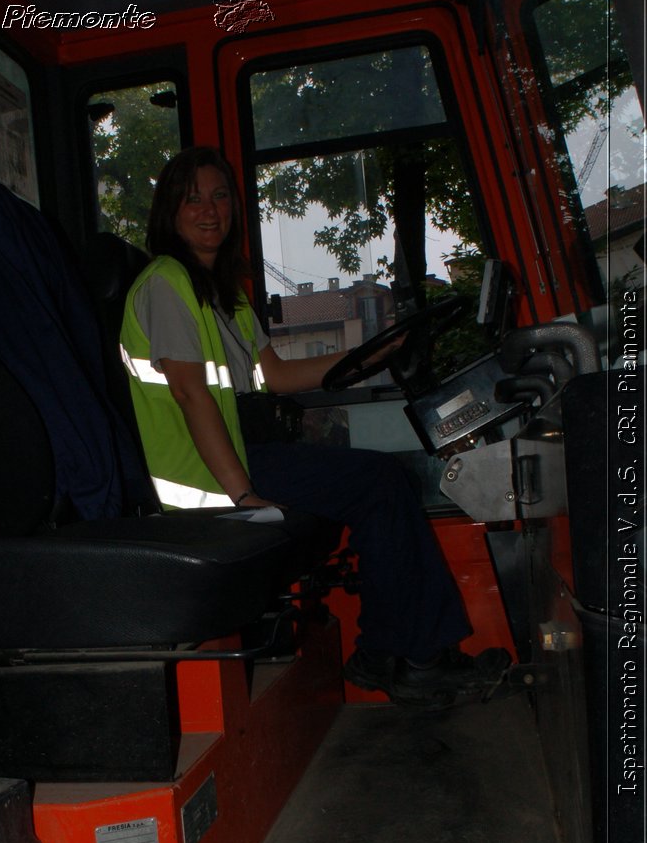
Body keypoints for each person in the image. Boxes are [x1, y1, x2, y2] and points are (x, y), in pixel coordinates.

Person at [120, 146, 509, 707]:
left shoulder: (225, 296)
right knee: (378, 483)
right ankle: (412, 658)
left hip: (245, 447)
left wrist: (368, 356)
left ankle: (394, 652)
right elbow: (189, 393)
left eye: (221, 195)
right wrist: (243, 495)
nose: (210, 209)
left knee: (381, 483)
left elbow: (274, 374)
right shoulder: (166, 284)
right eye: (193, 198)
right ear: (169, 211)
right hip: (208, 471)